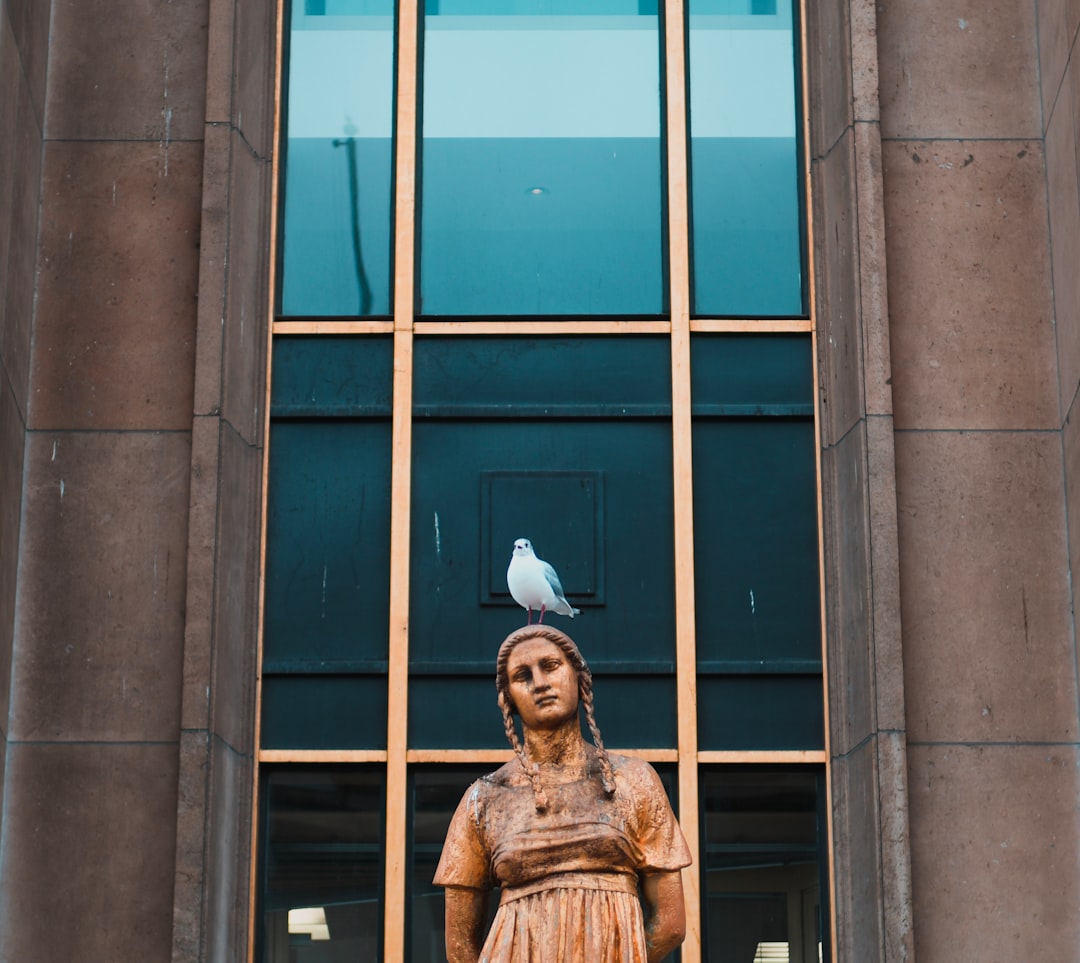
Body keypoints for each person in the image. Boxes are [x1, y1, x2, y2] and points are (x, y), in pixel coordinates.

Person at [434, 625, 691, 963]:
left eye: (551, 666)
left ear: (579, 677)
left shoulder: (633, 780)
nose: (540, 683)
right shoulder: (483, 799)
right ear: (508, 698)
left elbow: (671, 923)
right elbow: (459, 947)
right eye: (523, 675)